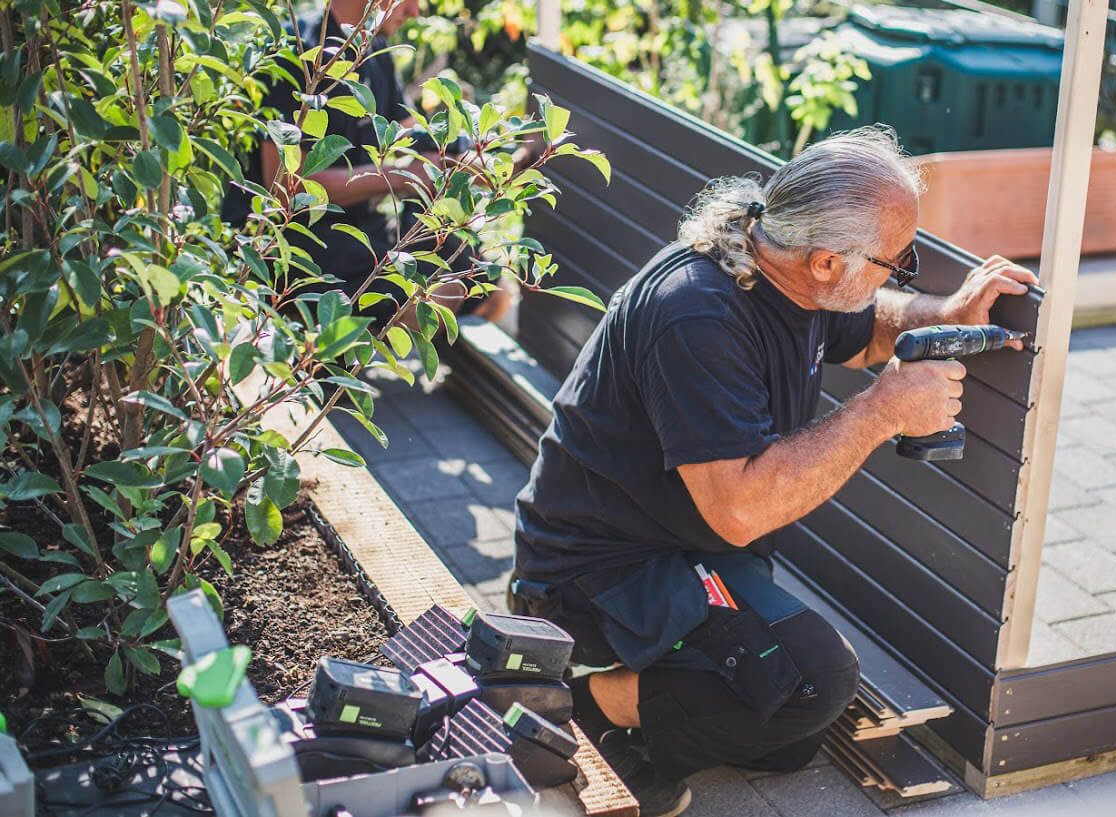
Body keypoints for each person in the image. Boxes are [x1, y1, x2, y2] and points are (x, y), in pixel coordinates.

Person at [507, 126, 1036, 815]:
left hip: (679, 545)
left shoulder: (785, 271)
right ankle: (576, 706)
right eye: (896, 260)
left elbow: (867, 322)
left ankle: (654, 699)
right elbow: (741, 509)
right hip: (596, 573)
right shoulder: (695, 315)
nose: (902, 270)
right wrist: (881, 411)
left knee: (785, 737)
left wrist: (947, 309)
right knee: (807, 684)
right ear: (822, 261)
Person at [222, 0, 516, 325]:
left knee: (489, 284)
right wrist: (402, 177)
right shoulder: (298, 54)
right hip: (291, 245)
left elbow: (402, 134)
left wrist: (453, 155)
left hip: (360, 226)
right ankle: (338, 368)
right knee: (432, 301)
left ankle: (441, 368)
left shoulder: (374, 50)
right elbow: (287, 191)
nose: (416, 12)